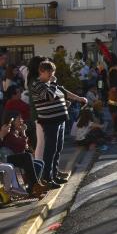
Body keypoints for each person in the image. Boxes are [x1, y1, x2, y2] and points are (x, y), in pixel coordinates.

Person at [29, 60, 87, 189]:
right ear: (41, 71)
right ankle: (47, 177)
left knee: (58, 148)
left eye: (52, 73)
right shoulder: (38, 85)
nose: (51, 75)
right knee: (50, 149)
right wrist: (53, 82)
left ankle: (54, 175)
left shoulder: (51, 84)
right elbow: (49, 96)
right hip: (50, 121)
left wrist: (79, 99)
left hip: (59, 120)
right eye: (49, 73)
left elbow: (64, 92)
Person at [0, 112, 48, 198]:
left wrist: (22, 132)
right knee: (27, 156)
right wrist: (23, 132)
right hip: (6, 158)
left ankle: (32, 188)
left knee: (39, 163)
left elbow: (24, 148)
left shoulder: (15, 132)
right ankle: (35, 186)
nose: (22, 121)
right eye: (19, 119)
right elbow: (21, 147)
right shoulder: (9, 132)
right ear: (13, 121)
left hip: (14, 157)